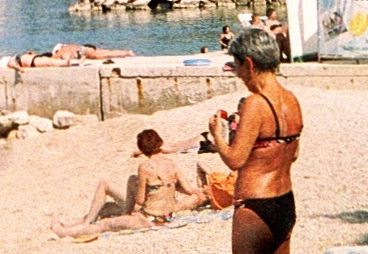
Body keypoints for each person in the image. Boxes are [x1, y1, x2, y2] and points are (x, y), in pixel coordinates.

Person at [208, 27, 302, 254]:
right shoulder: (292, 100)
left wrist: (217, 135)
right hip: (285, 202)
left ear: (249, 64)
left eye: (237, 67)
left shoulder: (255, 103)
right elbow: (294, 154)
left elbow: (235, 159)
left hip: (255, 205)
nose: (238, 75)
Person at [49, 128, 204, 239]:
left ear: (142, 149)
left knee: (105, 224)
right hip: (167, 217)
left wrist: (137, 191)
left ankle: (66, 232)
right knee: (110, 206)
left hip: (148, 219)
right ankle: (76, 223)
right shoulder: (172, 165)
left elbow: (140, 200)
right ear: (159, 144)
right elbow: (189, 190)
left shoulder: (145, 167)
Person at [53, 43, 134, 60]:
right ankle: (126, 52)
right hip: (85, 48)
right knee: (107, 53)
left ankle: (126, 53)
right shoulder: (70, 46)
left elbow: (52, 59)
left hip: (82, 51)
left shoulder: (63, 50)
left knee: (103, 55)